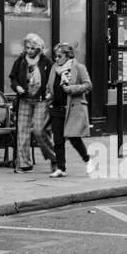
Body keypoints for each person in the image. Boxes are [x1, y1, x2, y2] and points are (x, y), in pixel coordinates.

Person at [46, 42, 93, 177]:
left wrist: (71, 89)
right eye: (55, 56)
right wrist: (49, 95)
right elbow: (50, 87)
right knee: (58, 140)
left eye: (59, 56)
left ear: (68, 55)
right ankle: (61, 168)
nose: (56, 59)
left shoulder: (78, 67)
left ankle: (88, 159)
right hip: (56, 108)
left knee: (74, 138)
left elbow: (88, 85)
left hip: (72, 109)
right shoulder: (54, 68)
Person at [9, 34, 51, 172]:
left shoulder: (46, 62)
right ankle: (24, 164)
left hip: (40, 100)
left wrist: (50, 93)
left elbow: (52, 79)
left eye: (33, 48)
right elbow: (13, 78)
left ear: (39, 48)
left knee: (39, 131)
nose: (29, 51)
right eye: (27, 48)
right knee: (22, 132)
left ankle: (54, 157)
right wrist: (17, 87)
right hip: (24, 99)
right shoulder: (21, 60)